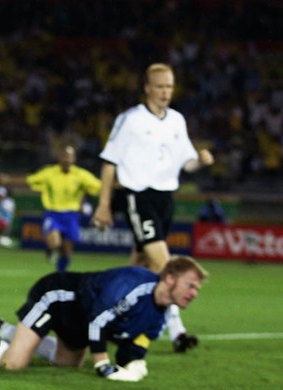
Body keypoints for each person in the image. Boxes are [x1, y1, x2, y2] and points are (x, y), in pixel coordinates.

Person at [91, 63, 215, 352]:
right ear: (147, 87)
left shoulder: (177, 120)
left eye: (169, 86)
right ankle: (177, 331)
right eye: (159, 86)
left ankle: (113, 315)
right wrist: (104, 204)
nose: (165, 92)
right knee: (163, 263)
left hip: (165, 199)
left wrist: (202, 161)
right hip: (139, 196)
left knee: (140, 267)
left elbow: (187, 162)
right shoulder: (131, 119)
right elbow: (110, 161)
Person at [0, 256, 209, 382]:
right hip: (57, 297)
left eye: (197, 289)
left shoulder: (160, 315)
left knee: (68, 362)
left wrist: (134, 364)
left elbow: (135, 346)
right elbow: (99, 322)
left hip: (80, 318)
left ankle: (6, 329)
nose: (194, 293)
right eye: (191, 286)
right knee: (12, 365)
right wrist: (102, 364)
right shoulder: (134, 284)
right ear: (170, 279)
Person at [26, 145, 102, 272]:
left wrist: (115, 184)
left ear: (74, 159)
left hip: (71, 216)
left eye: (70, 156)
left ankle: (60, 274)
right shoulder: (49, 173)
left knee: (66, 251)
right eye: (64, 156)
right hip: (53, 214)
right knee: (55, 243)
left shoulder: (81, 175)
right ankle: (51, 250)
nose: (67, 159)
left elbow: (98, 187)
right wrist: (9, 180)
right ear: (59, 158)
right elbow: (30, 180)